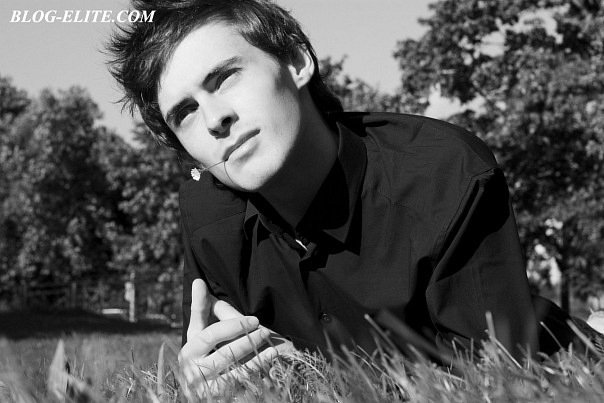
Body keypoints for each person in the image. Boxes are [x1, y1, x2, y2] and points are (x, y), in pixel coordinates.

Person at [107, 0, 592, 392]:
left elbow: (497, 379)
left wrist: (313, 380)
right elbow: (227, 368)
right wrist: (204, 376)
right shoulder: (207, 214)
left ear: (297, 62)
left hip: (563, 364)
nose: (215, 119)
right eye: (185, 113)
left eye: (225, 77)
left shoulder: (444, 173)